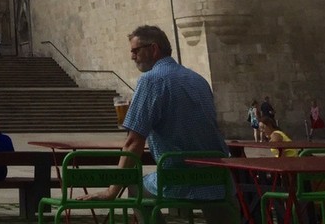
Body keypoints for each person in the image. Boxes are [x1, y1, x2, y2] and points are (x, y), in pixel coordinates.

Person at [82, 25, 231, 223]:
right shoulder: (198, 80)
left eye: (136, 51)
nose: (132, 57)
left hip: (177, 179)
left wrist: (111, 191)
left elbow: (133, 141)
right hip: (218, 178)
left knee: (135, 187)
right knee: (217, 204)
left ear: (153, 49)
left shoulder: (151, 81)